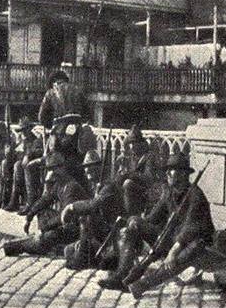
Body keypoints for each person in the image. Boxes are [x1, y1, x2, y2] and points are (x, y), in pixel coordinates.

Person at [100, 152, 214, 293]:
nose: (167, 174)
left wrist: (172, 252)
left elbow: (191, 229)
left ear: (183, 174)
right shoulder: (169, 192)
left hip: (193, 245)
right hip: (172, 241)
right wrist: (132, 223)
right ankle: (121, 276)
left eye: (171, 170)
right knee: (134, 222)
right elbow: (152, 218)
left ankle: (142, 285)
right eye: (167, 170)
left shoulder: (196, 195)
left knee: (194, 247)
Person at [3, 152, 89, 257]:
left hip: (74, 228)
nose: (51, 172)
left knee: (48, 236)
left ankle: (26, 246)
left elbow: (65, 216)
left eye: (54, 168)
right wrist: (30, 216)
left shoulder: (71, 187)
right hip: (64, 223)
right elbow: (45, 200)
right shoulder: (59, 183)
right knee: (42, 212)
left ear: (62, 168)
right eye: (50, 169)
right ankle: (46, 243)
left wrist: (44, 229)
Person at [61, 150, 124, 270]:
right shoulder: (96, 186)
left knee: (87, 216)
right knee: (67, 251)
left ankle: (83, 258)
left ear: (99, 167)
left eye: (91, 166)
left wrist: (71, 207)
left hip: (111, 232)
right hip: (99, 233)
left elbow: (93, 205)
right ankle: (87, 252)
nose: (87, 170)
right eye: (85, 167)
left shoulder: (108, 186)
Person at [115, 124, 160, 216]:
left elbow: (149, 178)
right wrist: (121, 169)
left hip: (146, 190)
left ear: (141, 143)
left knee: (128, 184)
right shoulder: (131, 156)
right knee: (115, 184)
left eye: (134, 143)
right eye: (130, 144)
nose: (132, 147)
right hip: (133, 189)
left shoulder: (148, 157)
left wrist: (130, 174)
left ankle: (129, 215)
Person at [5, 117, 44, 212]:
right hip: (24, 167)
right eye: (21, 131)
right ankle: (14, 200)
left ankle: (30, 203)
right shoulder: (24, 142)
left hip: (37, 167)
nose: (22, 133)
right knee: (17, 165)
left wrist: (29, 155)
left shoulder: (36, 140)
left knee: (24, 167)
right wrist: (9, 153)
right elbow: (18, 156)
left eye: (24, 130)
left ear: (28, 129)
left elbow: (40, 151)